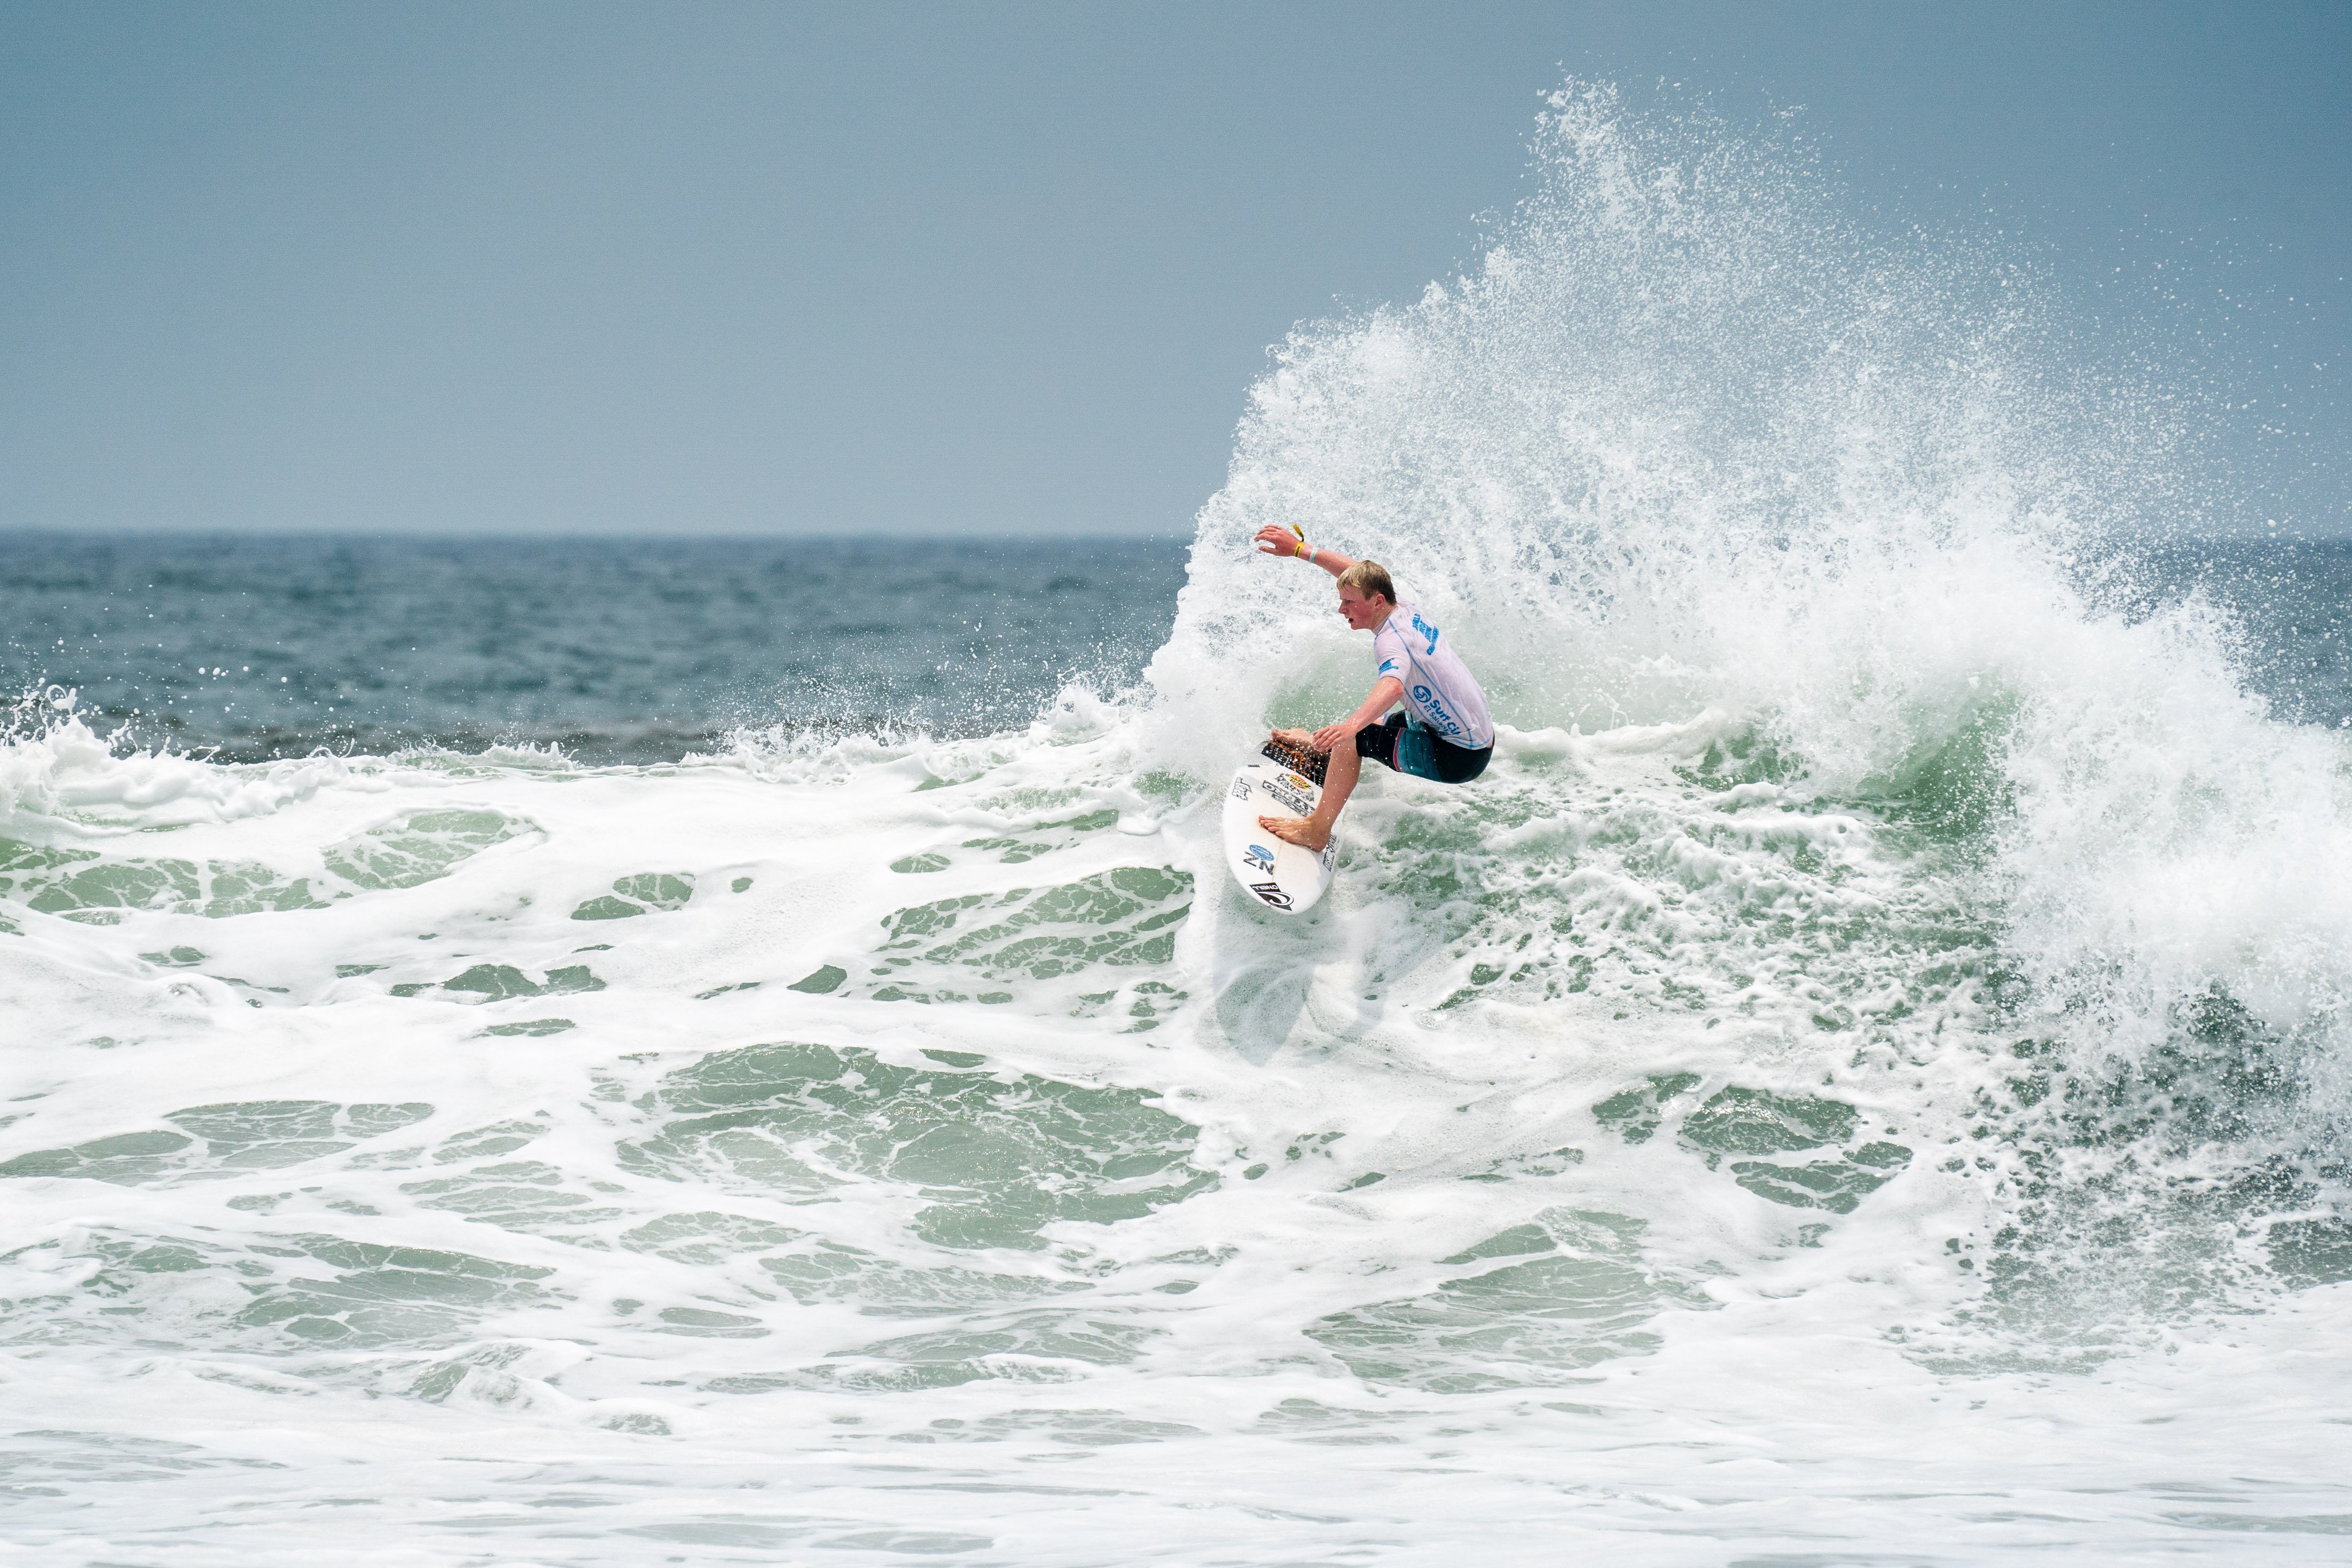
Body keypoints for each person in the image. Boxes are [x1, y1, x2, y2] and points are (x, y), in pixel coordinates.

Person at [1250, 524, 1494, 852]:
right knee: (1365, 727)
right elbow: (1356, 575)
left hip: (1458, 756)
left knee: (1353, 735)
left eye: (1349, 602)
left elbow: (1393, 687)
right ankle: (1319, 747)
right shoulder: (1403, 609)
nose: (1342, 609)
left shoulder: (1391, 641)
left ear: (1377, 602)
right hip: (1468, 732)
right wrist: (1299, 550)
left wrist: (1348, 729)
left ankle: (1317, 829)